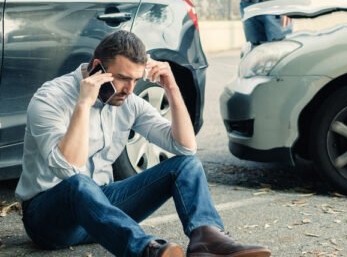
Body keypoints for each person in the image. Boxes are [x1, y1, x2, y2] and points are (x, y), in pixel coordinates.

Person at [15, 30, 271, 257]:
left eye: (136, 80)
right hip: (50, 220)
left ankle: (206, 239)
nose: (130, 89)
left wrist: (171, 87)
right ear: (96, 68)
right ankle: (145, 250)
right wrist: (83, 104)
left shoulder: (128, 101)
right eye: (123, 78)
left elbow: (185, 147)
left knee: (187, 165)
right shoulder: (51, 98)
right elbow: (68, 169)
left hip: (102, 211)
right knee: (78, 183)